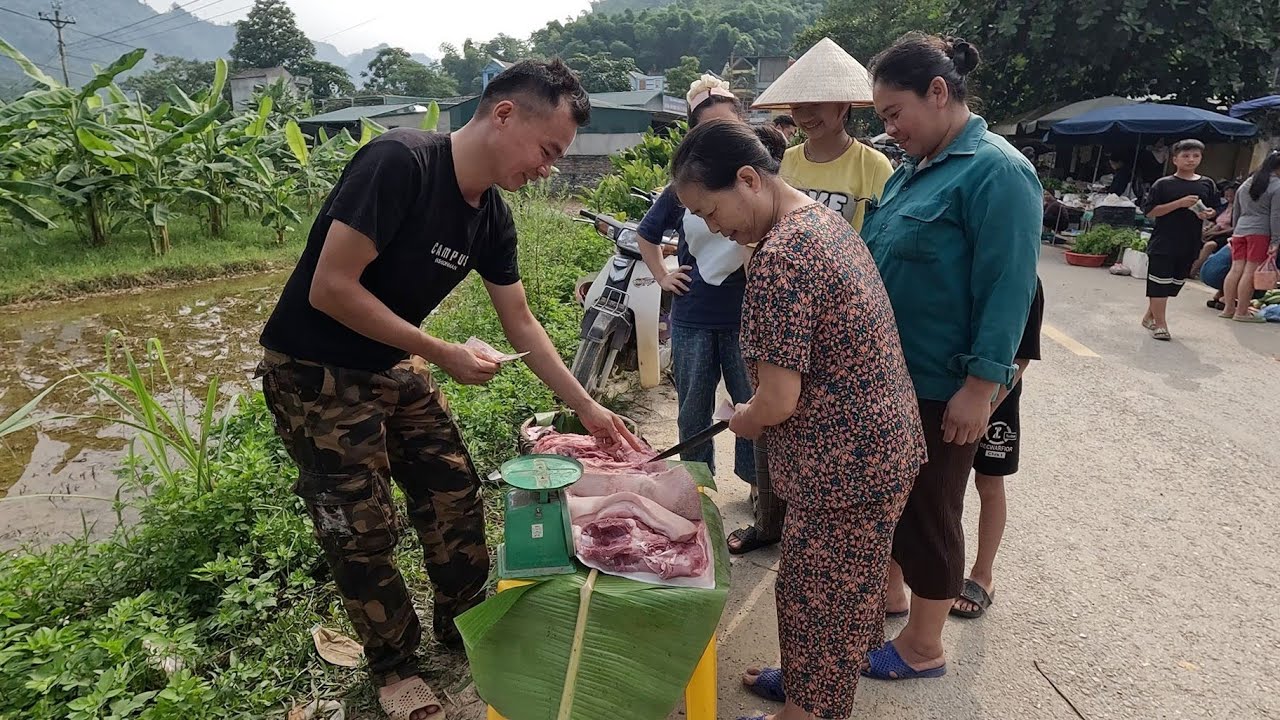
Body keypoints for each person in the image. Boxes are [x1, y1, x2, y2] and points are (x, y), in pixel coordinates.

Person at [254, 60, 641, 720]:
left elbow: (520, 320)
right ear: (504, 114)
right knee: (361, 526)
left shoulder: (491, 217)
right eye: (549, 150)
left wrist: (587, 407)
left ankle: (463, 624)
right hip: (314, 369)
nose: (550, 167)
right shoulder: (401, 162)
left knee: (453, 489)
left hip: (393, 363)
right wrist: (440, 351)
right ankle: (394, 665)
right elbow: (331, 287)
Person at [671, 119, 924, 720]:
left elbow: (779, 401)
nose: (713, 228)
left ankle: (808, 711)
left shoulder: (781, 256)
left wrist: (743, 418)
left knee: (819, 596)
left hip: (845, 463)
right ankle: (811, 683)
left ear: (748, 179)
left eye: (710, 211)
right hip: (879, 444)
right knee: (843, 589)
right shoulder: (821, 221)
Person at [861, 33, 1041, 681]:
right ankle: (897, 605)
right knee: (900, 507)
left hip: (944, 387)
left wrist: (980, 386)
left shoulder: (997, 172)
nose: (889, 127)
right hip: (892, 381)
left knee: (931, 510)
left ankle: (924, 648)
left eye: (893, 112)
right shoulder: (915, 168)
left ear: (938, 93)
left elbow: (1010, 288)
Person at [727, 37, 896, 556]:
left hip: (836, 322)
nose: (803, 115)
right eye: (796, 106)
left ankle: (813, 530)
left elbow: (878, 248)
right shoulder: (786, 164)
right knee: (774, 425)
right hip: (780, 311)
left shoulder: (873, 168)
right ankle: (770, 519)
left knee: (813, 427)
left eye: (815, 105)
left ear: (844, 105)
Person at [635, 74, 756, 499]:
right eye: (706, 130)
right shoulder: (681, 189)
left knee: (751, 406)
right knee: (694, 411)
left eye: (726, 128)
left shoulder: (755, 184)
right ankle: (697, 488)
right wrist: (664, 276)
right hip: (693, 319)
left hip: (746, 321)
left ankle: (759, 490)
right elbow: (646, 235)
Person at [950, 278, 1044, 619]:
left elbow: (1022, 356)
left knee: (988, 482)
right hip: (949, 390)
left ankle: (982, 575)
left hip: (997, 397)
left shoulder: (1022, 278)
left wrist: (987, 407)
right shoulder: (961, 259)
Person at [1141, 139, 1218, 341]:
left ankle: (1150, 315)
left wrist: (1208, 213)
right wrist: (1179, 204)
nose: (1191, 160)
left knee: (1174, 284)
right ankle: (1161, 325)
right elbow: (1150, 212)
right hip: (1164, 242)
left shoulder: (1207, 183)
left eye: (1195, 156)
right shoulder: (1164, 184)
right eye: (1185, 156)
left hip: (1190, 242)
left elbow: (1214, 209)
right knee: (1159, 283)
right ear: (1175, 159)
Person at [1219, 151, 1280, 322]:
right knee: (1250, 271)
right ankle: (1242, 312)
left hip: (1240, 231)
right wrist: (1276, 241)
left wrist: (1235, 232)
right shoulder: (1277, 186)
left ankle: (1228, 308)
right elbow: (1276, 216)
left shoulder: (1246, 184)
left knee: (1235, 269)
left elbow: (1236, 211)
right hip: (1260, 233)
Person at [1192, 181, 1237, 278]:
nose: (1228, 197)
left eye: (1231, 194)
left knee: (1210, 245)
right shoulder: (1223, 206)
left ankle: (1193, 270)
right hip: (1215, 230)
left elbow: (1235, 228)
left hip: (1226, 235)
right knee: (1195, 237)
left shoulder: (1239, 208)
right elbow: (1215, 220)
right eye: (1227, 194)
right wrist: (1208, 228)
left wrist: (1216, 234)